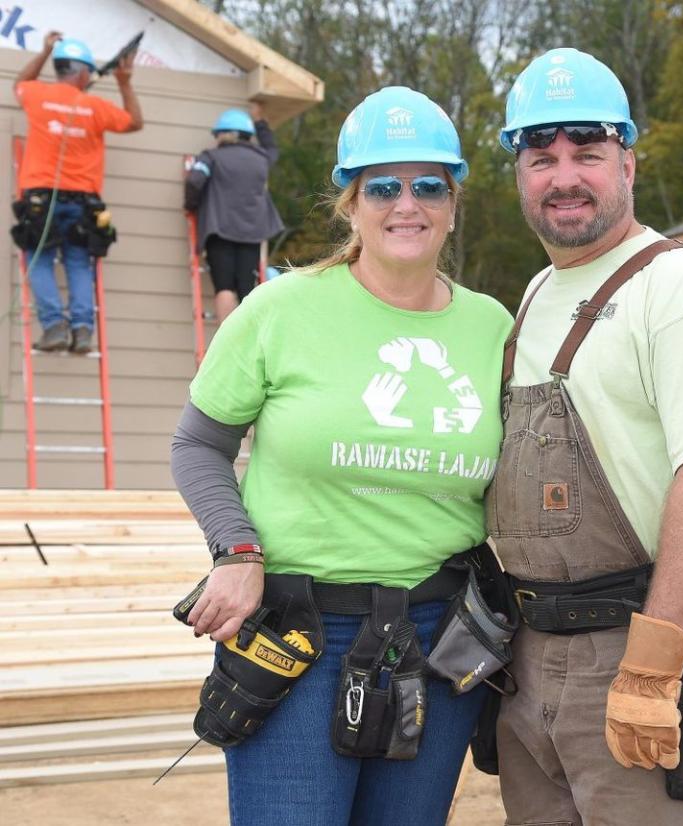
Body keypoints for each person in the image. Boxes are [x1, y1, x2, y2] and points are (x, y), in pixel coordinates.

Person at [170, 86, 513, 826]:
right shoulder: (281, 309)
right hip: (298, 632)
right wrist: (235, 550)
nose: (407, 204)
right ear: (350, 203)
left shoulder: (493, 327)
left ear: (453, 202)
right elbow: (199, 442)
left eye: (430, 186)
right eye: (382, 186)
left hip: (440, 637)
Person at [487, 48, 683, 825]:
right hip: (530, 651)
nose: (563, 176)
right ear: (519, 173)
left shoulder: (680, 292)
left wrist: (651, 671)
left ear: (629, 164)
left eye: (588, 154)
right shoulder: (538, 292)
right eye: (542, 157)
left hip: (633, 647)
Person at [13, 32, 142, 354]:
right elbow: (135, 122)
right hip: (83, 202)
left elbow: (20, 81)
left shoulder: (37, 94)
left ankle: (55, 327)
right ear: (84, 73)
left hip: (40, 199)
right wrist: (125, 82)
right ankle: (83, 331)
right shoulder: (95, 106)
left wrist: (44, 51)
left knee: (41, 261)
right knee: (78, 264)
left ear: (58, 68)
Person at [184, 104, 284, 324]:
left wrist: (190, 205)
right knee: (246, 288)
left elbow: (194, 181)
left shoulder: (211, 157)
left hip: (220, 231)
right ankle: (246, 339)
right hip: (252, 233)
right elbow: (273, 149)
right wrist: (260, 123)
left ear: (222, 135)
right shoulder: (262, 159)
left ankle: (227, 341)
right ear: (248, 135)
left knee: (225, 286)